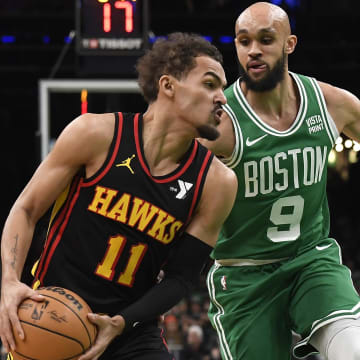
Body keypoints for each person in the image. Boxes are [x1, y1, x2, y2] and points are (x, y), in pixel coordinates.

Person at [0, 32, 238, 360]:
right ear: (168, 86)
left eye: (223, 88)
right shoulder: (95, 134)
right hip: (54, 315)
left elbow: (181, 278)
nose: (222, 98)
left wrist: (122, 322)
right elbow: (26, 210)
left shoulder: (217, 181)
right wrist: (10, 281)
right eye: (210, 84)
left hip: (131, 332)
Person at [200, 2, 360, 360]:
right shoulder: (219, 123)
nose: (253, 50)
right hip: (245, 276)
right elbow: (168, 191)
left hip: (310, 260)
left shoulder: (329, 103)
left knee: (353, 349)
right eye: (243, 41)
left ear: (289, 44)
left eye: (265, 39)